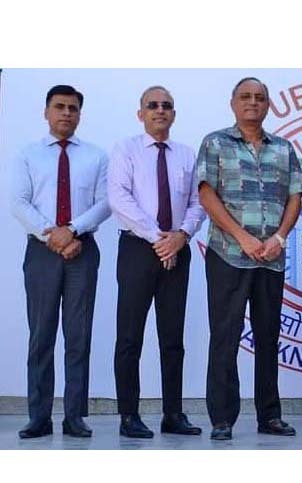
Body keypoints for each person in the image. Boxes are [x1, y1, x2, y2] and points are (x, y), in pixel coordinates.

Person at [197, 77, 302, 440]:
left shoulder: (284, 149)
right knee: (224, 337)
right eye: (245, 97)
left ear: (269, 105)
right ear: (233, 104)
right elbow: (207, 193)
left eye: (259, 98)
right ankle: (222, 418)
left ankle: (269, 416)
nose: (252, 103)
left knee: (268, 337)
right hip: (228, 254)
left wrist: (279, 237)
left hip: (270, 258)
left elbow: (295, 196)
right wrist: (241, 236)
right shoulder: (215, 143)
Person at [10, 85, 110, 439]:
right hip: (41, 251)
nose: (66, 113)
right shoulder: (28, 154)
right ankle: (38, 416)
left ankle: (74, 417)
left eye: (72, 108)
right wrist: (51, 236)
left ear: (80, 114)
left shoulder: (96, 156)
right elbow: (20, 202)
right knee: (41, 335)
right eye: (59, 107)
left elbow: (105, 203)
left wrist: (72, 231)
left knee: (78, 336)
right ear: (46, 112)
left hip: (82, 250)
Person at [108, 86, 206, 438]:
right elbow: (120, 198)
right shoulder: (126, 149)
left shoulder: (185, 154)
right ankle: (128, 416)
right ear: (141, 113)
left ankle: (173, 414)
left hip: (178, 250)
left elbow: (199, 201)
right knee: (129, 337)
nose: (160, 111)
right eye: (153, 105)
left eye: (167, 106)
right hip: (138, 249)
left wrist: (180, 236)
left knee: (172, 337)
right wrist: (158, 238)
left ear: (174, 114)